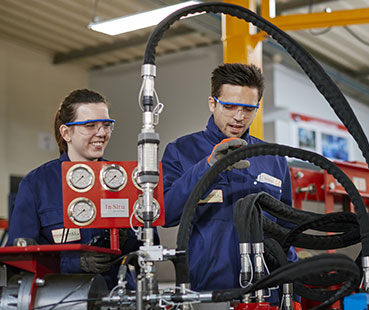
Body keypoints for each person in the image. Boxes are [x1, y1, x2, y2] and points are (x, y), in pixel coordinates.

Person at [162, 63, 297, 294]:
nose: (239, 117)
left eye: (248, 108)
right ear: (212, 103)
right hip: (211, 291)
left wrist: (293, 281)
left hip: (268, 289)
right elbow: (166, 213)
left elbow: (287, 228)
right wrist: (207, 167)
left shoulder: (273, 158)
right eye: (230, 106)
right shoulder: (181, 151)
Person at [7, 89, 143, 289]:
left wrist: (128, 240)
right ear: (66, 132)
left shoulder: (122, 180)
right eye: (90, 126)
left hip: (115, 293)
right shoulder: (37, 184)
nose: (102, 133)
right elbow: (19, 256)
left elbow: (147, 249)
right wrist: (73, 263)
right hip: (59, 296)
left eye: (107, 125)